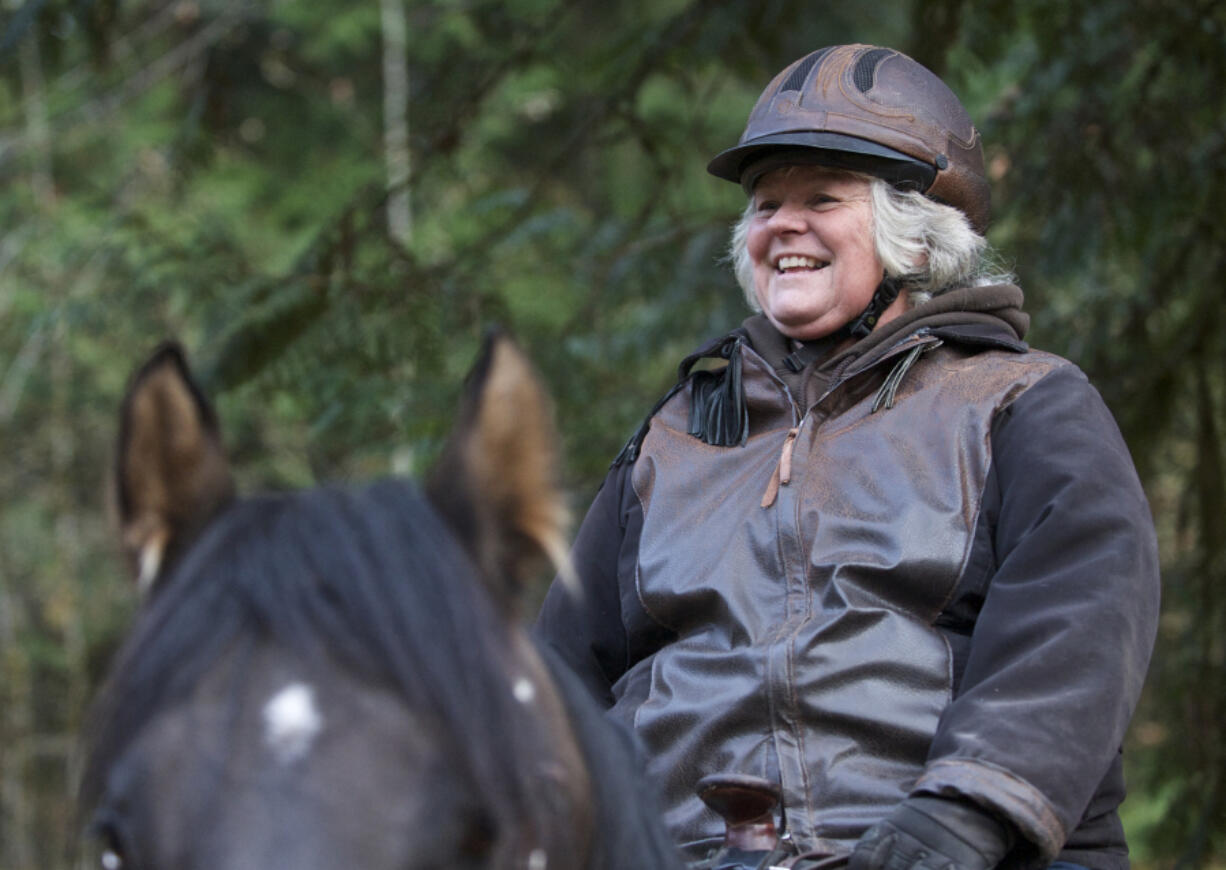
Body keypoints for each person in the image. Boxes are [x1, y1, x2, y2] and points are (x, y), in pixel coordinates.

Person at [535, 43, 1159, 870]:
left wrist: (962, 815)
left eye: (821, 198)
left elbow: (1078, 626)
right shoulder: (673, 435)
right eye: (764, 204)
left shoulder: (1022, 403)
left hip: (947, 849)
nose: (782, 224)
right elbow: (561, 678)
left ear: (914, 238)